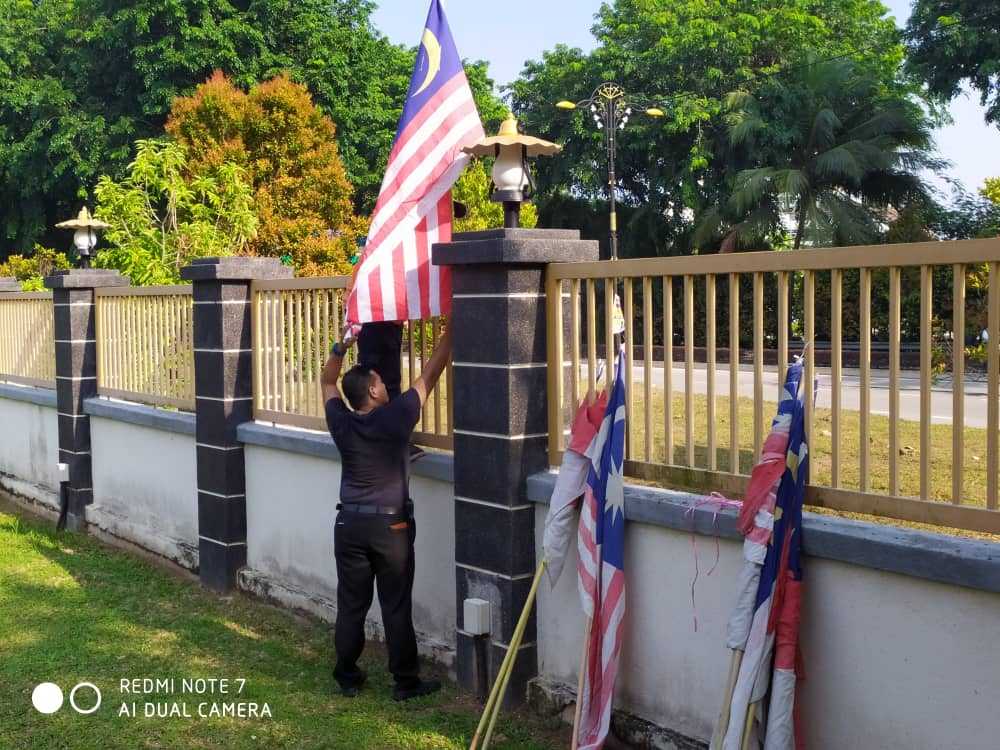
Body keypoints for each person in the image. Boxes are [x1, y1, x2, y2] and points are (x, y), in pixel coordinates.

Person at [320, 325, 452, 701]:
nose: (385, 384)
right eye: (380, 381)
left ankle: (347, 675)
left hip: (348, 523)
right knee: (395, 605)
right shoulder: (396, 418)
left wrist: (341, 346)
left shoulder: (341, 421)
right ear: (375, 392)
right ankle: (405, 682)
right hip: (390, 527)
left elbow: (327, 380)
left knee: (351, 603)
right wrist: (451, 334)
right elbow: (430, 375)